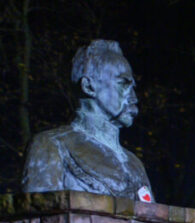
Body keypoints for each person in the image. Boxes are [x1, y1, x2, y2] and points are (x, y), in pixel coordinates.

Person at [22, 40, 153, 200]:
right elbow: (39, 216)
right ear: (89, 87)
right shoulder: (51, 145)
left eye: (133, 87)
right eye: (123, 84)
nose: (134, 97)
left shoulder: (135, 164)